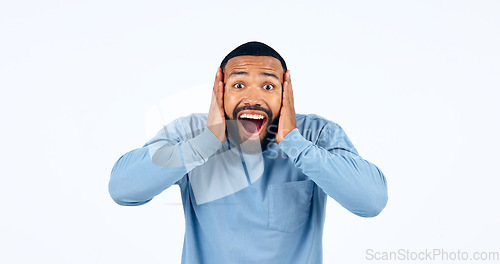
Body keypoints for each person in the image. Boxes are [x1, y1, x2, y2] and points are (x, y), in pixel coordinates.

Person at [108, 41, 388, 264]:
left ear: (285, 92)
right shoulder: (193, 132)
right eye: (238, 85)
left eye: (268, 86)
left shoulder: (318, 133)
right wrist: (205, 142)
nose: (253, 98)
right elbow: (124, 189)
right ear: (220, 91)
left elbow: (371, 200)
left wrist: (294, 143)